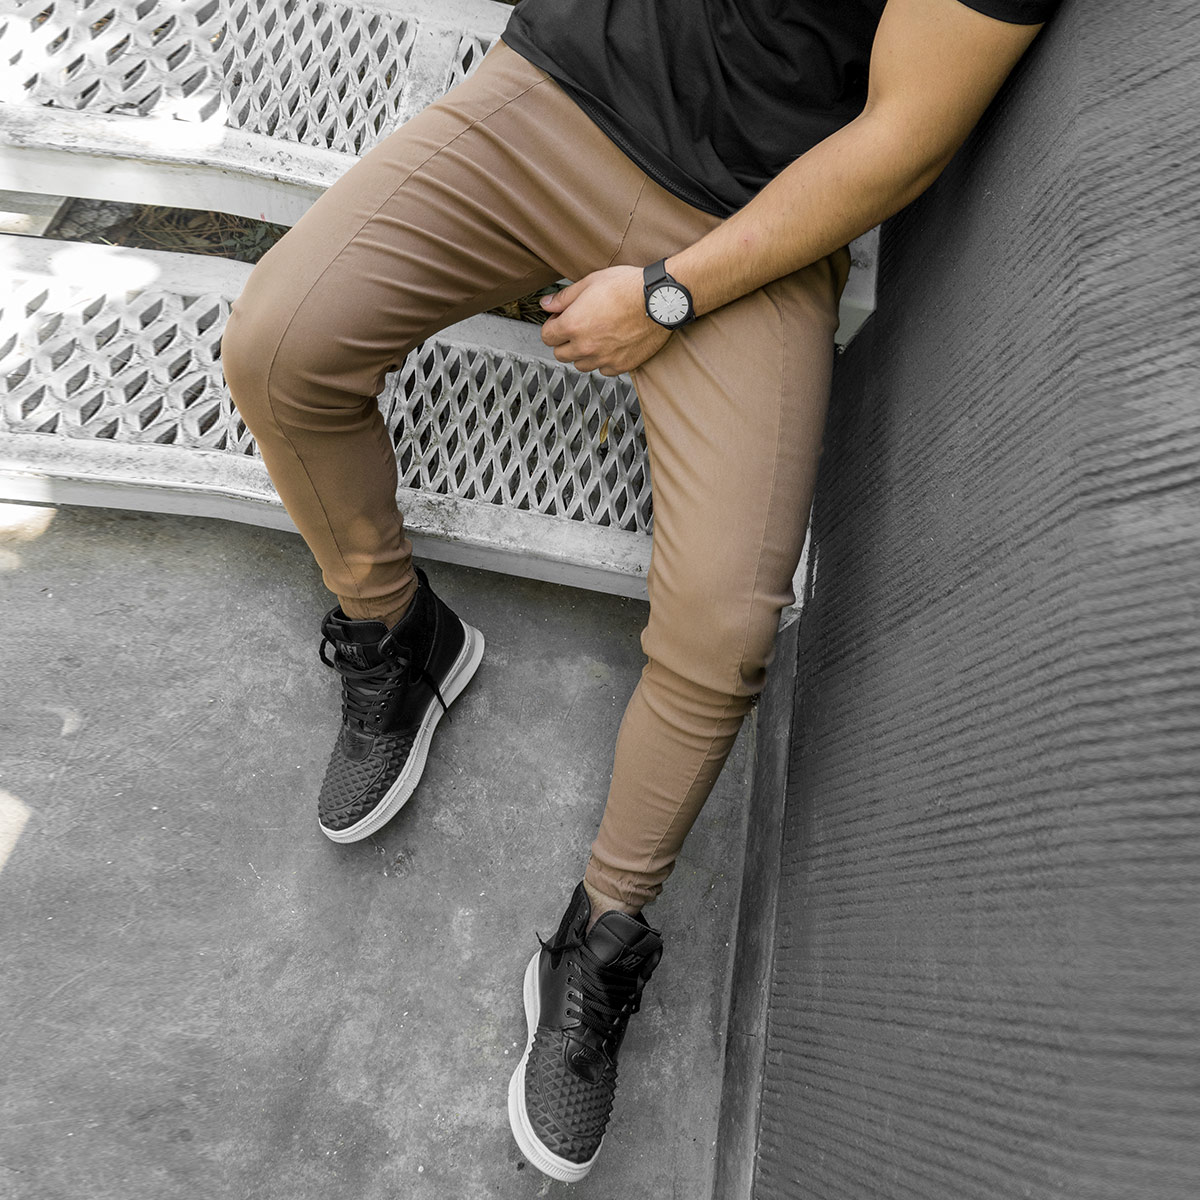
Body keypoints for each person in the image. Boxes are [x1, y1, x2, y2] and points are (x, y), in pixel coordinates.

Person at [220, 0, 1059, 1181]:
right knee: (278, 347)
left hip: (752, 220)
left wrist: (668, 294)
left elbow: (902, 138)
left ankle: (599, 932)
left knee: (725, 627)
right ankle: (398, 632)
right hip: (559, 91)